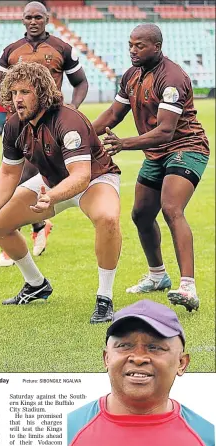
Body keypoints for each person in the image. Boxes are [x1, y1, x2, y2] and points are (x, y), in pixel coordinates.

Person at [0, 61, 121, 323]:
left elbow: (81, 175)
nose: (17, 100)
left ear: (42, 91)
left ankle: (104, 296)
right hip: (51, 182)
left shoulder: (68, 120)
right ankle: (36, 284)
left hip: (95, 179)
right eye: (13, 93)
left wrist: (53, 196)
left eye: (24, 92)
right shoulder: (15, 124)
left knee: (108, 219)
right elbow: (8, 173)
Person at [92, 24, 210, 312]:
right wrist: (79, 137)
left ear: (156, 47)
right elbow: (112, 114)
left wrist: (125, 143)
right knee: (142, 215)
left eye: (139, 46)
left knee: (171, 208)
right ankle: (158, 276)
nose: (133, 50)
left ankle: (188, 286)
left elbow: (166, 131)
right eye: (130, 44)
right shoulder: (131, 75)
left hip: (187, 147)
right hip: (156, 153)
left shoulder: (172, 78)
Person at [0, 1, 89, 263]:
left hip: (51, 125)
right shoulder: (11, 51)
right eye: (28, 17)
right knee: (17, 176)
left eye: (38, 17)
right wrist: (6, 101)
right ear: (23, 20)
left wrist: (72, 108)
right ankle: (33, 228)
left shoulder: (62, 48)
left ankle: (13, 235)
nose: (33, 21)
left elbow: (80, 82)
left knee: (28, 178)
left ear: (47, 19)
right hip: (19, 125)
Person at [67, 300, 215, 446]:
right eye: (124, 345)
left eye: (155, 347)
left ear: (181, 363)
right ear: (106, 359)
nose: (138, 358)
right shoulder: (68, 431)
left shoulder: (209, 439)